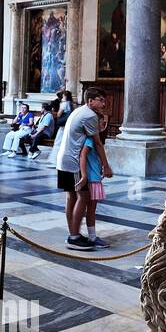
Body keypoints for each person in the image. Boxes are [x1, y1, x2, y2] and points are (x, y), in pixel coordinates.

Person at [55, 88, 113, 250]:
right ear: (90, 101)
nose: (104, 103)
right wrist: (106, 165)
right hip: (73, 161)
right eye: (100, 100)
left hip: (63, 159)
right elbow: (97, 142)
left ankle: (74, 234)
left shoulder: (80, 111)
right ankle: (74, 237)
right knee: (83, 196)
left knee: (72, 196)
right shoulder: (89, 115)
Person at [76, 111, 110, 248]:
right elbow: (83, 156)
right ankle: (91, 237)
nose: (105, 124)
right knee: (91, 209)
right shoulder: (90, 139)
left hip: (94, 177)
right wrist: (84, 175)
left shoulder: (96, 139)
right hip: (92, 179)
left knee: (91, 209)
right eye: (102, 122)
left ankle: (90, 236)